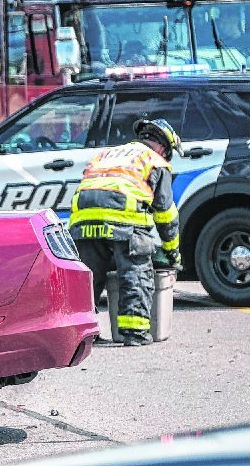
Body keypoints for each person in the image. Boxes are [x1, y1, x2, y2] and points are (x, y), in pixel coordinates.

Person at [69, 119, 183, 347]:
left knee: (88, 278)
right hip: (124, 218)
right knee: (136, 273)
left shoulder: (109, 154)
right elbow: (165, 215)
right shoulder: (154, 161)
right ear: (163, 147)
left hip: (83, 217)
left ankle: (83, 336)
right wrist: (172, 253)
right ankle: (135, 333)